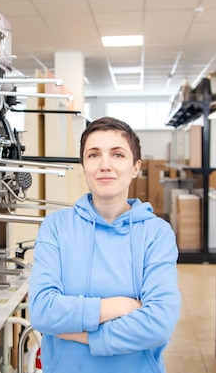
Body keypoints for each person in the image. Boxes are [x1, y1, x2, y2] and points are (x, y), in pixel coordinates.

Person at [29, 116, 181, 373]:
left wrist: (84, 336)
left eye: (118, 155)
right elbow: (42, 311)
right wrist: (117, 306)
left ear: (135, 167)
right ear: (83, 165)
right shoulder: (56, 227)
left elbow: (159, 324)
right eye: (94, 155)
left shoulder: (157, 234)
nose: (105, 165)